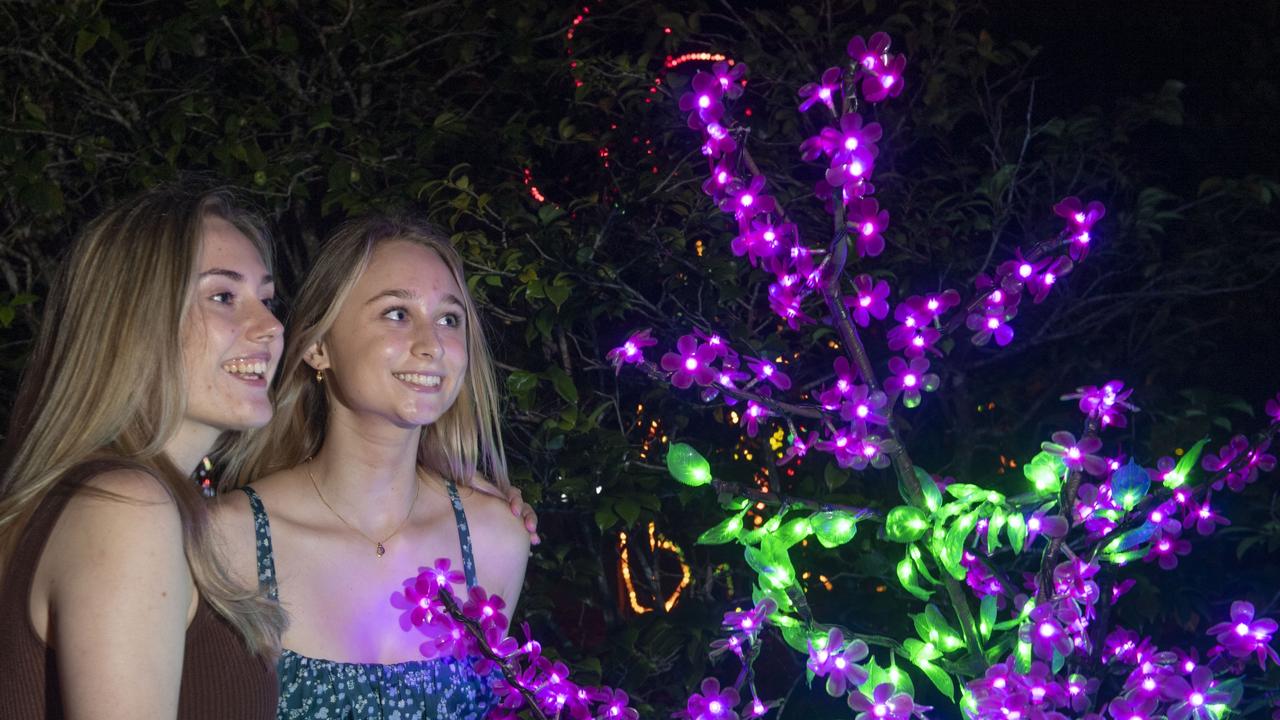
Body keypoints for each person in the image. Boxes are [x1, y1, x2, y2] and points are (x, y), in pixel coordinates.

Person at [215, 214, 531, 719]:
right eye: (396, 313)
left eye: (449, 319)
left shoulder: (495, 540)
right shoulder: (230, 540)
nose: (432, 344)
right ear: (319, 347)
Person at [0, 185, 287, 718]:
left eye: (266, 300)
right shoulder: (126, 505)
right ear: (135, 318)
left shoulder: (102, 496)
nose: (270, 327)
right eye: (223, 297)